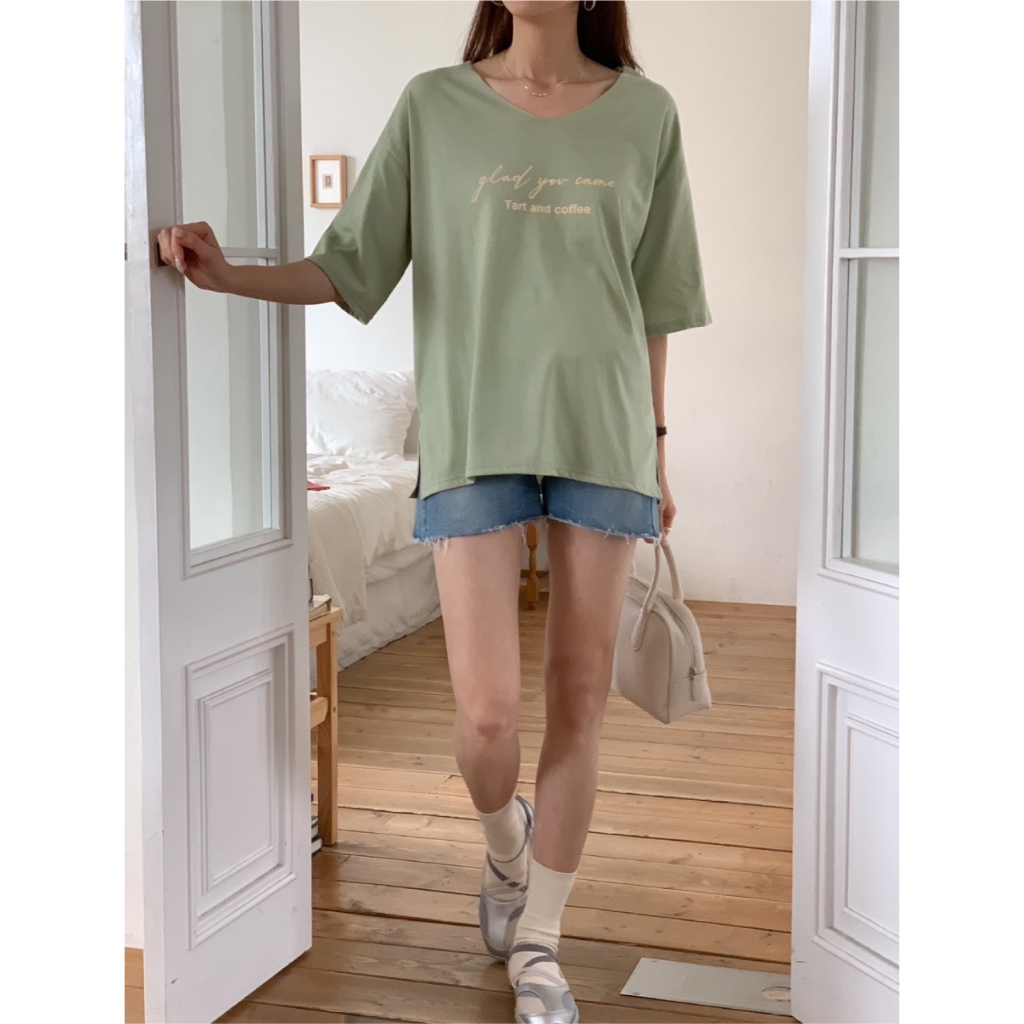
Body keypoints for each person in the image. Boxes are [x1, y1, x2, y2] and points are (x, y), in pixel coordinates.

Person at [158, 2, 710, 1020]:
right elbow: (349, 265)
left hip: (605, 435)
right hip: (471, 440)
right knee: (486, 715)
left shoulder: (647, 114)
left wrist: (659, 450)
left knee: (580, 698)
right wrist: (228, 275)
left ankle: (540, 942)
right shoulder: (434, 106)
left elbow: (658, 302)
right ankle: (506, 848)